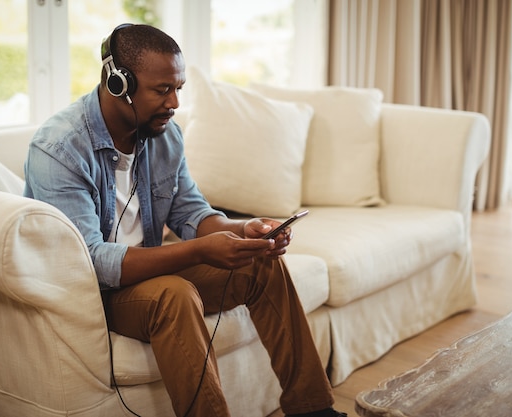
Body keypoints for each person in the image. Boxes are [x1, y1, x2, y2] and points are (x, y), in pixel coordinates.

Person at [24, 23, 346, 417]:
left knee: (262, 263)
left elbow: (191, 212)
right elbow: (93, 263)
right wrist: (201, 250)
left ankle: (313, 409)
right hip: (95, 295)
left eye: (179, 88)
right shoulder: (59, 149)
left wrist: (244, 231)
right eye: (163, 90)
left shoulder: (165, 136)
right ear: (119, 84)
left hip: (149, 273)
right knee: (174, 295)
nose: (175, 102)